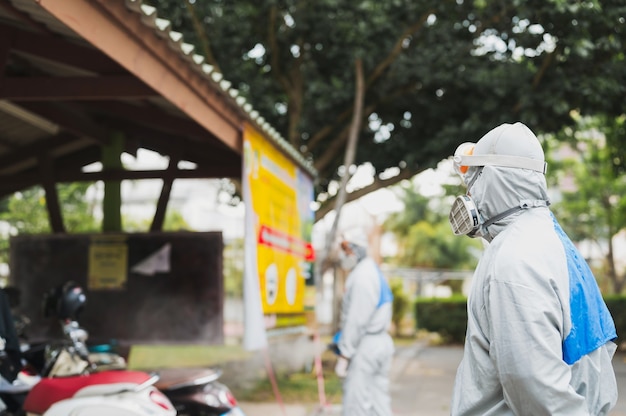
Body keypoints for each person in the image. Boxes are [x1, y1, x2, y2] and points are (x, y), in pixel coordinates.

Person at [448, 122, 618, 415]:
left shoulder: (513, 257)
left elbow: (532, 383)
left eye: (474, 180)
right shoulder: (549, 238)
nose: (469, 194)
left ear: (493, 179)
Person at [333, 228, 394, 416]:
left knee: (356, 405)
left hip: (366, 346)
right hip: (379, 343)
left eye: (347, 248)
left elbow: (357, 320)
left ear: (357, 249)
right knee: (378, 403)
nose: (344, 254)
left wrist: (345, 354)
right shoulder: (370, 270)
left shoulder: (362, 276)